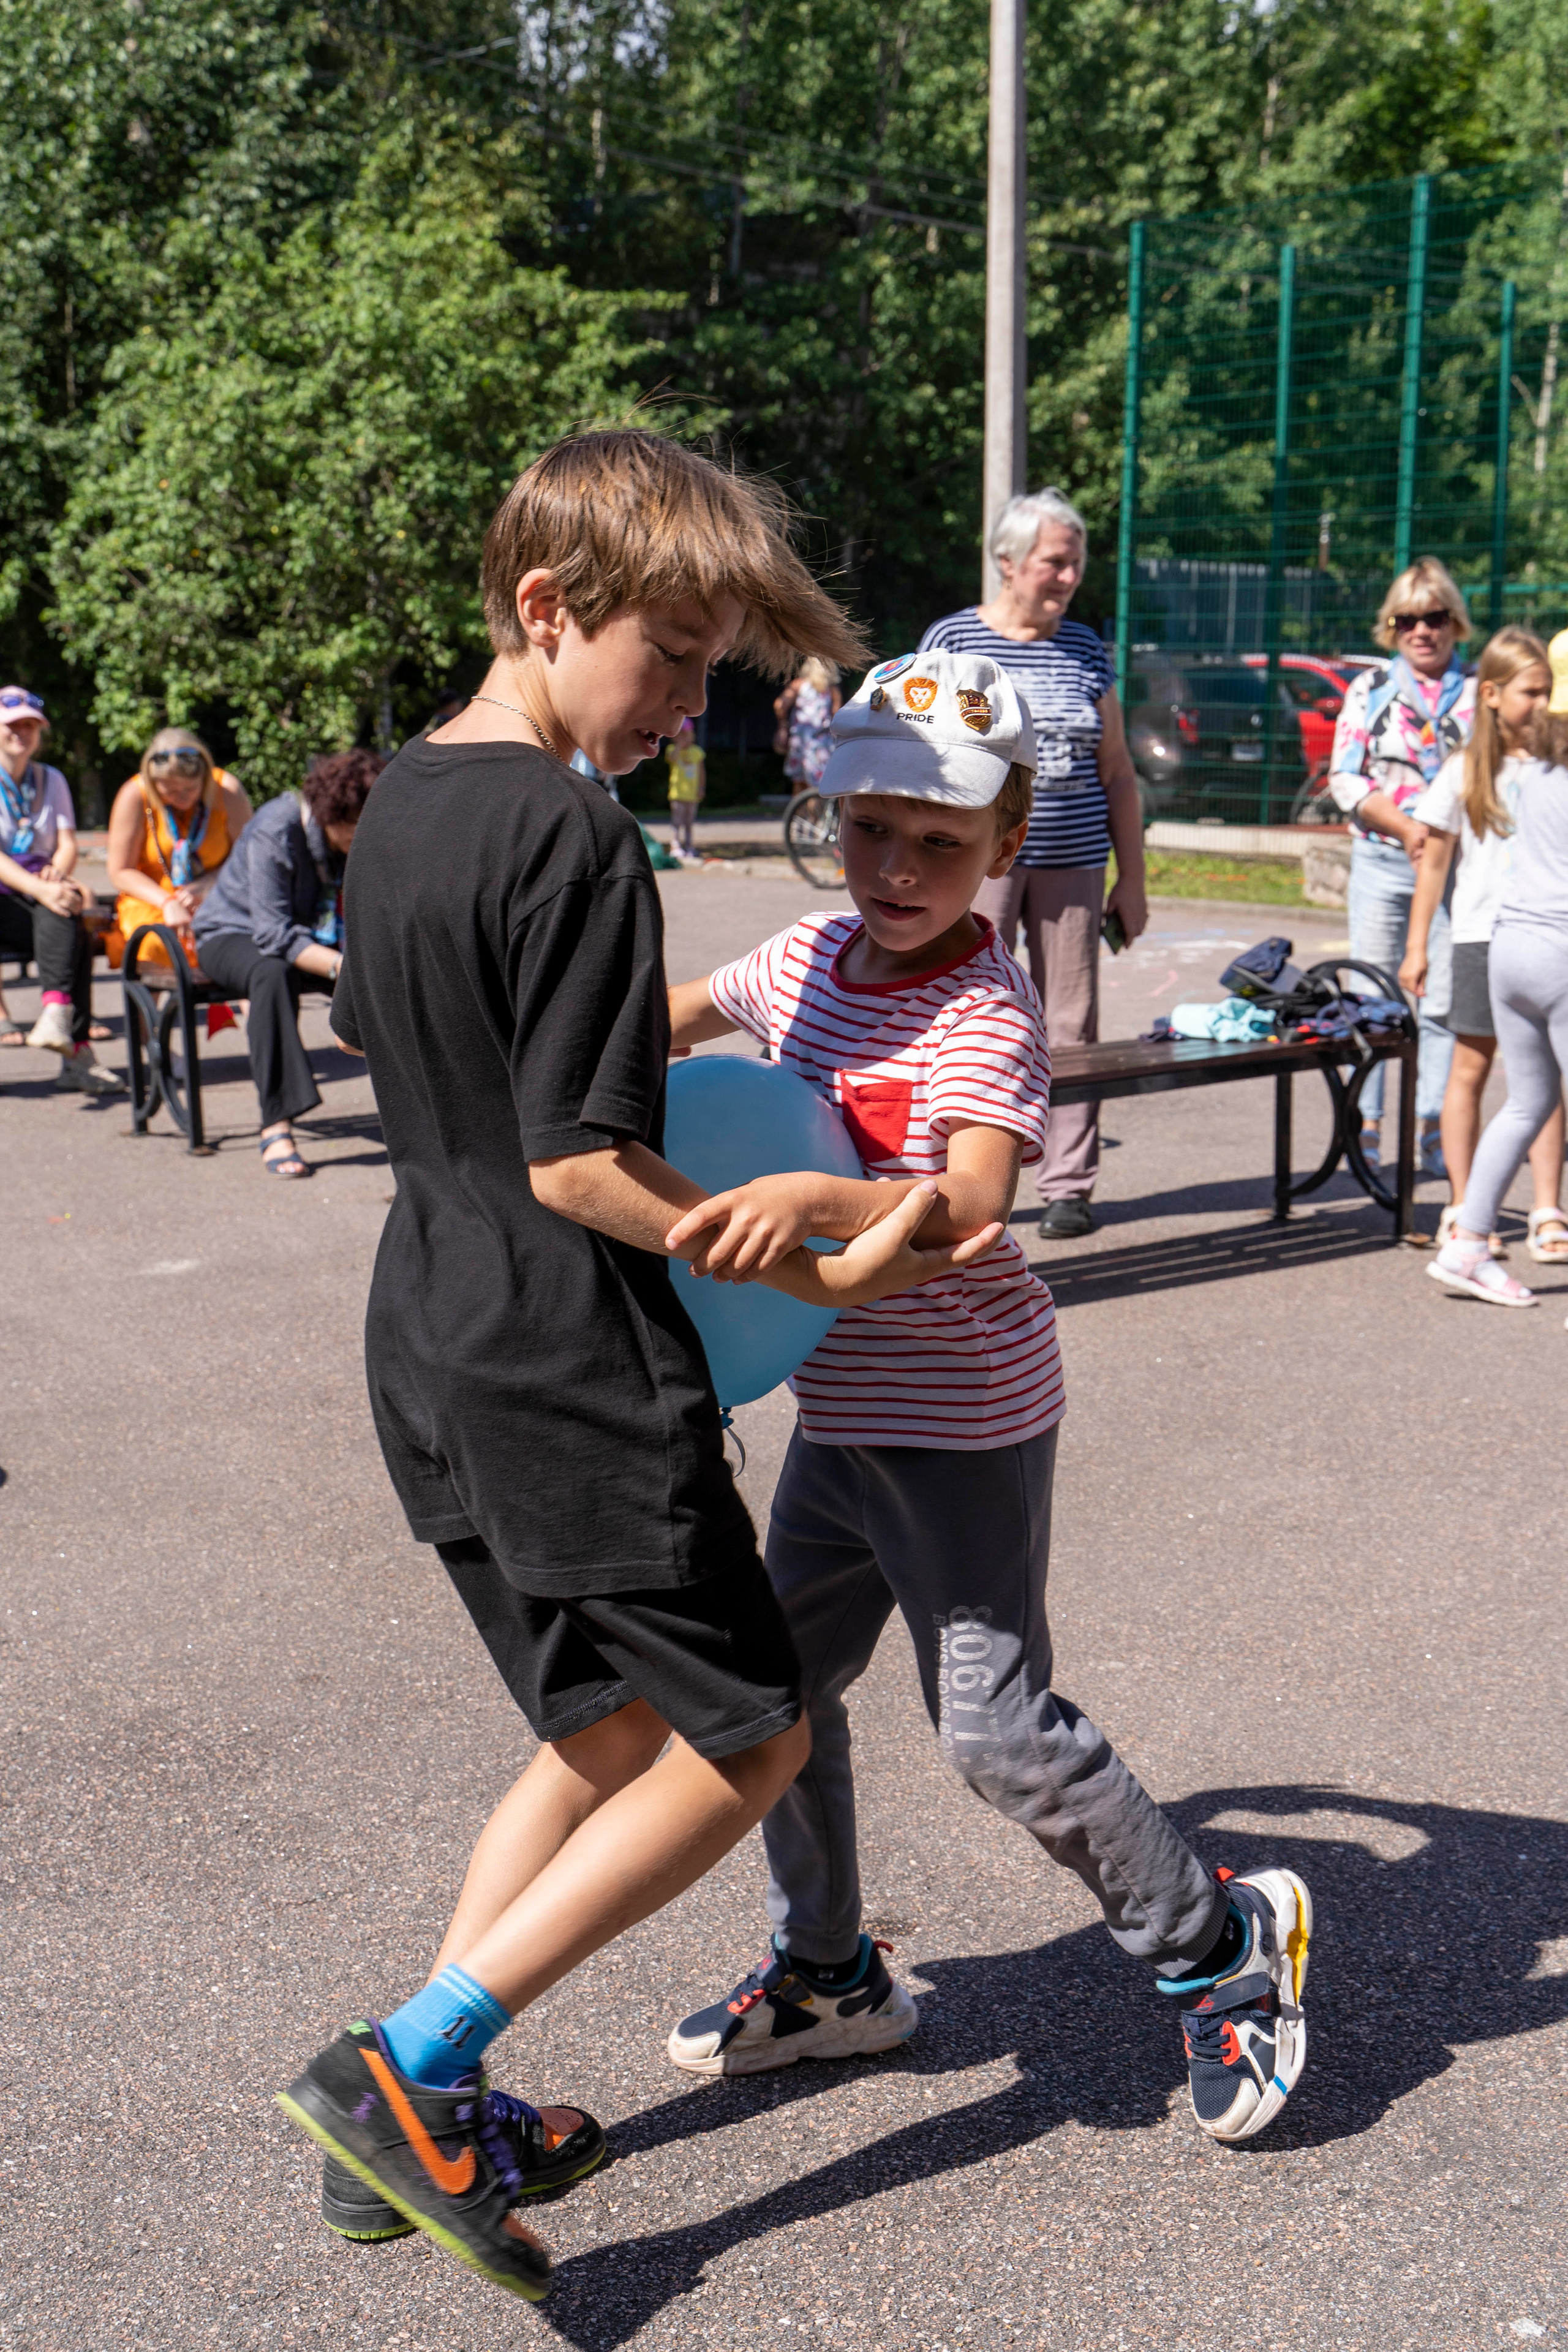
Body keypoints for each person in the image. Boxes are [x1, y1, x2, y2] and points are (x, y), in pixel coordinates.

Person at [272, 429, 993, 2297]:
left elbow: (423, 1070)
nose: (685, 700)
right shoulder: (578, 832)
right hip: (571, 1354)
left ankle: (416, 2117)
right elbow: (577, 1156)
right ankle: (410, 2064)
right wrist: (741, 1228)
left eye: (712, 668)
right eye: (667, 655)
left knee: (604, 1738)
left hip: (424, 1335)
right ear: (545, 604)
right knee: (748, 1730)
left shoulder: (410, 795)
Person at [661, 649, 1313, 2147]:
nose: (891, 867)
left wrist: (815, 1193)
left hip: (960, 1413)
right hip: (842, 1408)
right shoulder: (808, 956)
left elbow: (959, 1203)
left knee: (998, 1734)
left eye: (936, 841)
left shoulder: (985, 1009)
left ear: (1007, 843)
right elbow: (669, 1010)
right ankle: (828, 1972)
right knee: (776, 1692)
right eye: (866, 828)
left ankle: (1212, 1942)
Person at [919, 488, 1148, 1242]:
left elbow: (1116, 770)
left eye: (1074, 562)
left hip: (1075, 862)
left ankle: (1068, 1185)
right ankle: (949, 1176)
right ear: (1008, 563)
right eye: (1055, 561)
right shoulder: (952, 638)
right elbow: (919, 760)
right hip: (980, 866)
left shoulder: (1085, 647)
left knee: (1071, 1023)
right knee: (968, 1014)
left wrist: (1132, 879)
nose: (1068, 575)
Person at [1400, 628, 1567, 1261]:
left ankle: (1548, 1206)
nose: (1543, 703)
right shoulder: (1467, 769)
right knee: (1470, 1070)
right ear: (1492, 693)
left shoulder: (1558, 763)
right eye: (1532, 691)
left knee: (1542, 1082)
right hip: (1480, 937)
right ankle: (1465, 1208)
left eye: (1549, 690)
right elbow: (1434, 867)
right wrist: (1417, 947)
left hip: (1548, 938)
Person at [1329, 559, 1477, 1179]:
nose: (1422, 631)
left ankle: (1434, 1127)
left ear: (1454, 624)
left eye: (1435, 617)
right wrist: (1410, 828)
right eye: (1407, 619)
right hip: (1384, 858)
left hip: (1456, 871)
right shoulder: (1370, 690)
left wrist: (1442, 836)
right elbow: (1345, 777)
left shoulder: (1478, 694)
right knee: (1372, 997)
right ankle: (1365, 1125)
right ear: (1391, 627)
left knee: (1443, 1000)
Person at [192, 750, 382, 1177]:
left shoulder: (356, 837)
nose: (362, 834)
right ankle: (276, 1123)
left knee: (388, 982)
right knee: (271, 971)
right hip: (231, 933)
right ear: (329, 813)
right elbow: (273, 934)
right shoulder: (276, 828)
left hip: (309, 940)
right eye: (353, 825)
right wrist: (345, 969)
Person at [0, 685, 124, 1095]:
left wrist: (57, 873)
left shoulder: (50, 778)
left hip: (37, 892)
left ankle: (67, 1035)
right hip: (10, 896)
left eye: (30, 726)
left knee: (74, 916)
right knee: (64, 906)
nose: (21, 733)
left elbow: (67, 841)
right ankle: (71, 1038)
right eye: (12, 725)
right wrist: (42, 886)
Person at [104, 728, 251, 970]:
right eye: (170, 791)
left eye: (190, 789)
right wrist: (168, 903)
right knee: (155, 944)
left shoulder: (226, 790)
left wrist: (211, 883)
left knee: (244, 946)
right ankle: (154, 1008)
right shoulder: (135, 794)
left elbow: (250, 859)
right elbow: (120, 872)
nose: (182, 798)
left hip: (218, 895)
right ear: (152, 782)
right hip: (151, 899)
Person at [774, 655, 840, 790]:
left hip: (800, 741)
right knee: (816, 785)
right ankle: (815, 812)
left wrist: (783, 726)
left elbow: (780, 705)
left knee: (799, 783)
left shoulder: (799, 685)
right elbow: (838, 717)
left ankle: (797, 812)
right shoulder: (832, 691)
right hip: (821, 743)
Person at [665, 715, 706, 859]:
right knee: (677, 822)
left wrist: (701, 788)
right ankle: (675, 846)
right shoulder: (672, 750)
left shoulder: (697, 752)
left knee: (689, 823)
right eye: (680, 734)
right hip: (677, 794)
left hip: (692, 795)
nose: (684, 738)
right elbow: (672, 758)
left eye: (686, 734)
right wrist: (678, 745)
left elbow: (701, 772)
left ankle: (689, 846)